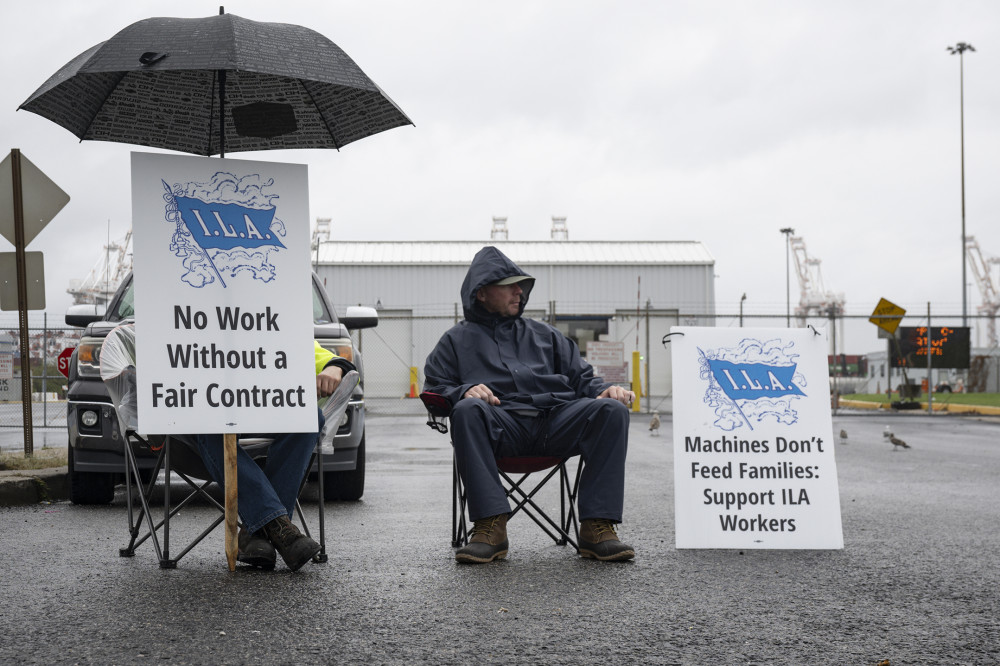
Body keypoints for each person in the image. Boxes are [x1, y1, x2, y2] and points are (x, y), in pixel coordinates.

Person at [424, 246, 635, 564]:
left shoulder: (546, 335)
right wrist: (464, 391)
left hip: (555, 422)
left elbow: (583, 380)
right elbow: (435, 390)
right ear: (481, 293)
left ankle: (597, 528)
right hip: (499, 425)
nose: (518, 291)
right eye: (508, 284)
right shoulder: (454, 341)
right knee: (467, 410)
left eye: (520, 285)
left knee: (611, 411)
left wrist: (607, 390)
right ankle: (489, 528)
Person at [193, 341, 355, 571]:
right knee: (208, 425)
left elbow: (329, 358)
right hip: (201, 420)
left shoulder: (266, 323)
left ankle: (257, 532)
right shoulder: (184, 318)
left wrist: (334, 367)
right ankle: (280, 529)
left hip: (260, 410)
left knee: (309, 415)